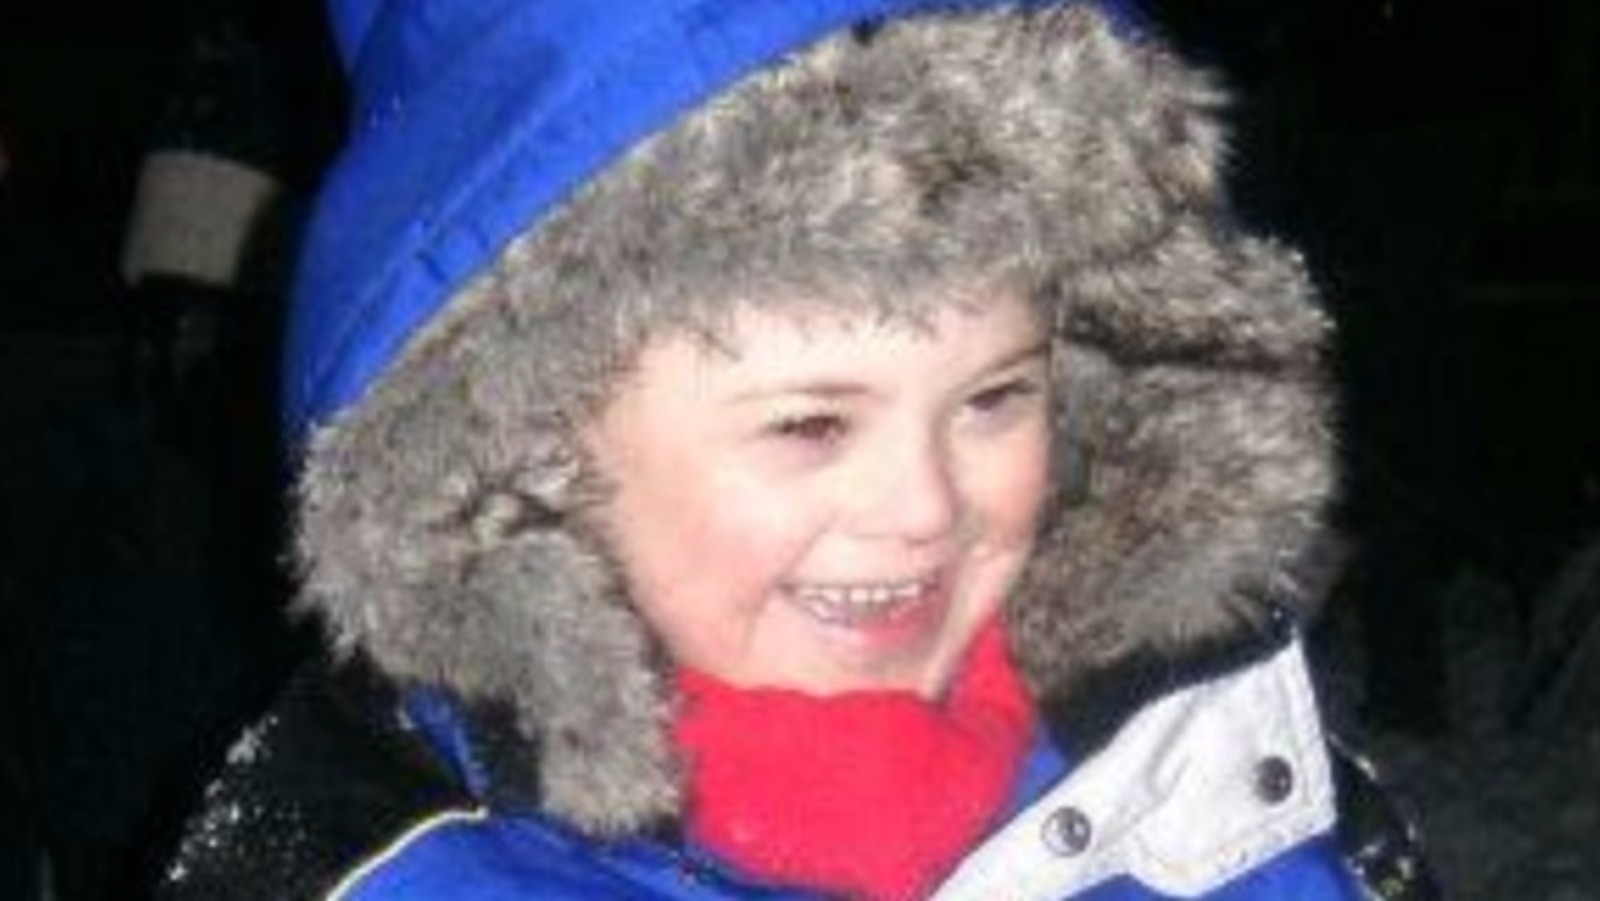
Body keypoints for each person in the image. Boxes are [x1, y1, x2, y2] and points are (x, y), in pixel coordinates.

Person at [155, 1, 1433, 898]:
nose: (924, 504)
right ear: (529, 441)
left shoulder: (1206, 785)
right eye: (811, 422)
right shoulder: (401, 872)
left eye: (995, 397)